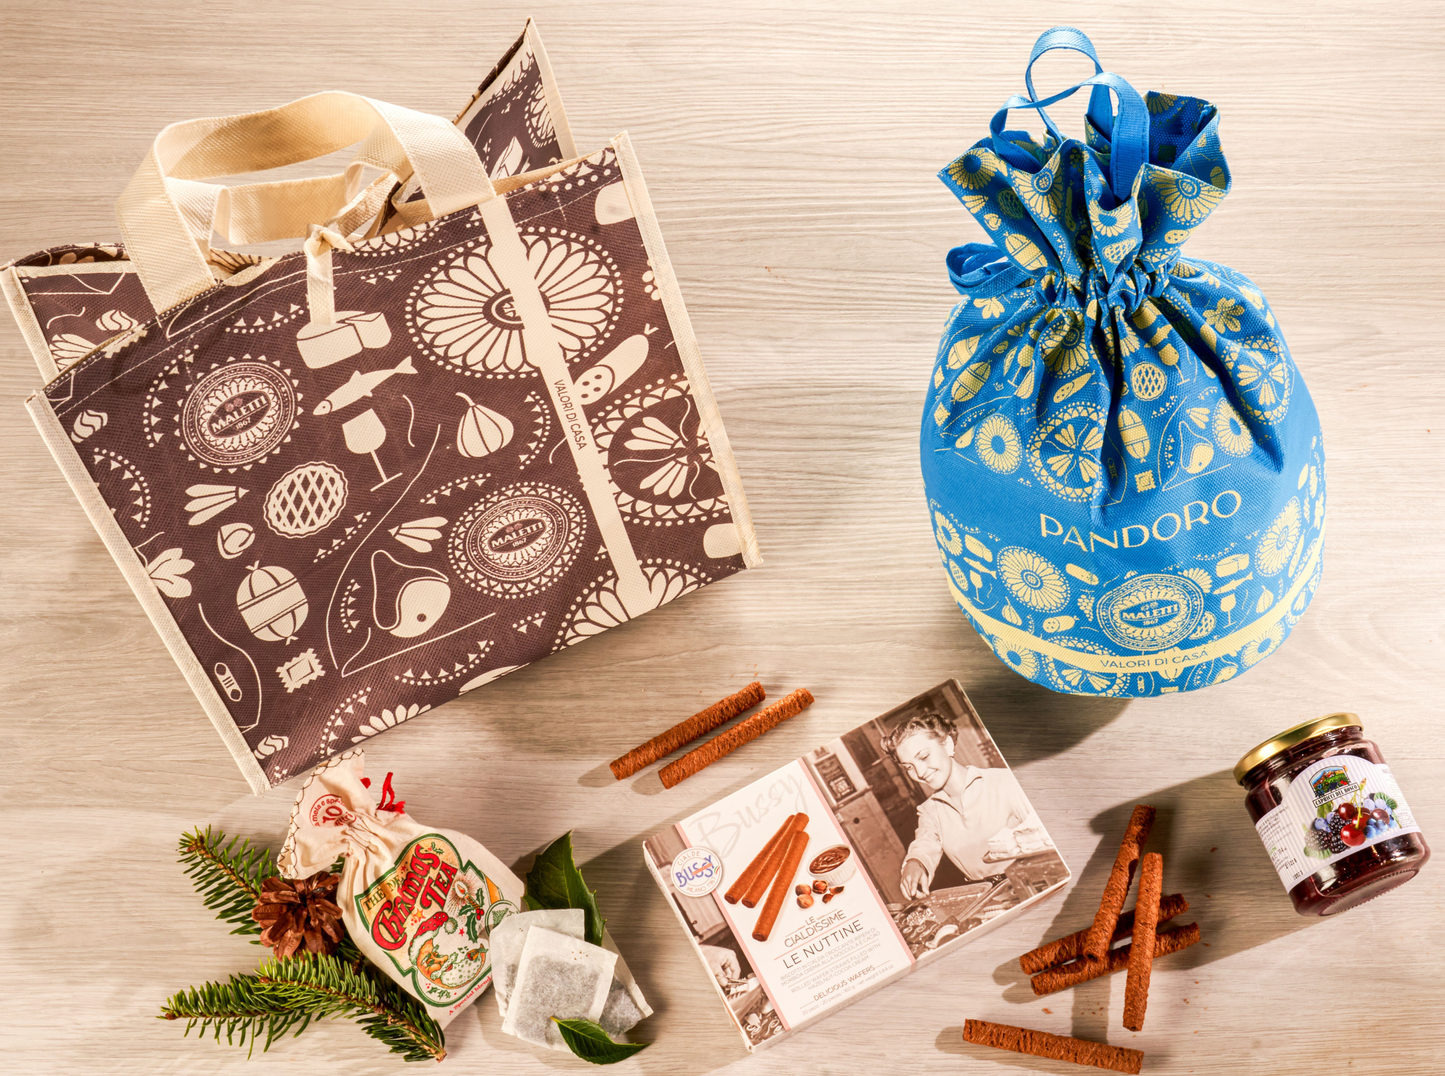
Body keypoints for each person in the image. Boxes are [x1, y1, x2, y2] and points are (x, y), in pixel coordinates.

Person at [881, 709, 1042, 899]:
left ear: (947, 745)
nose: (920, 772)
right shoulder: (929, 811)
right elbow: (924, 844)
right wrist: (914, 863)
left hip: (1034, 885)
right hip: (983, 898)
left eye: (923, 757)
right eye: (909, 767)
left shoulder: (1005, 781)